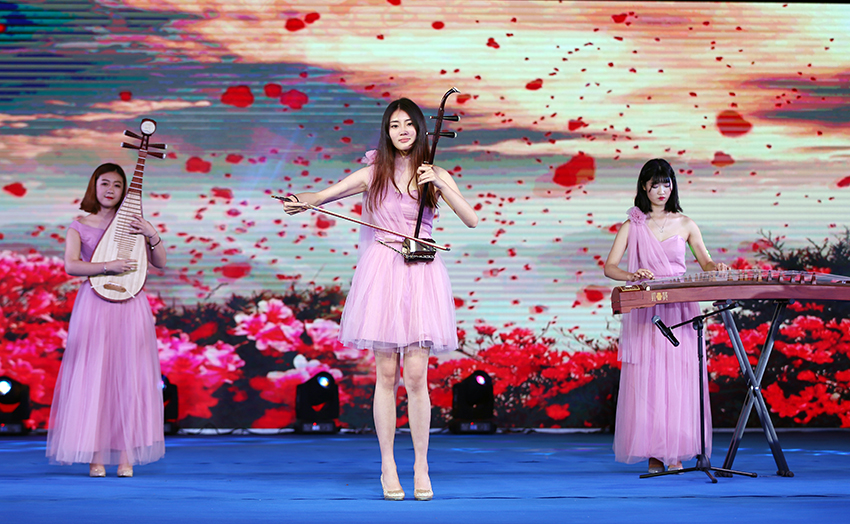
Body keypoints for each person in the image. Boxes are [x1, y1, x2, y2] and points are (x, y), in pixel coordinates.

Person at [282, 98, 478, 500]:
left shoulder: (435, 173)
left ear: (420, 129)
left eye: (408, 124)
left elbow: (471, 219)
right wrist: (302, 201)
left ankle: (421, 465)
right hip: (383, 272)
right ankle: (388, 465)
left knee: (416, 377)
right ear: (386, 132)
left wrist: (440, 183)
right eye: (394, 125)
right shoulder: (375, 172)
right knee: (386, 376)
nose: (402, 131)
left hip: (421, 273)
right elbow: (324, 195)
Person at [603, 158, 728, 474]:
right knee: (649, 379)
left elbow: (705, 262)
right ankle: (654, 453)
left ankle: (676, 451)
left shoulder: (685, 223)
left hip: (680, 306)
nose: (661, 190)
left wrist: (715, 267)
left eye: (666, 184)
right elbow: (610, 267)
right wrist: (632, 275)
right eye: (655, 184)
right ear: (644, 187)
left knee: (678, 377)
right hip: (647, 308)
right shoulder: (632, 225)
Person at [46, 163, 167, 477]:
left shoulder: (133, 224)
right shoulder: (79, 225)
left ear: (124, 190)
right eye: (104, 183)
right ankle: (96, 457)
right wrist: (107, 267)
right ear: (94, 186)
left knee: (130, 378)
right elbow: (71, 266)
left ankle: (127, 458)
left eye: (117, 184)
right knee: (95, 378)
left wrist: (151, 233)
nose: (110, 190)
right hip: (95, 305)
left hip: (131, 305)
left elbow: (159, 262)